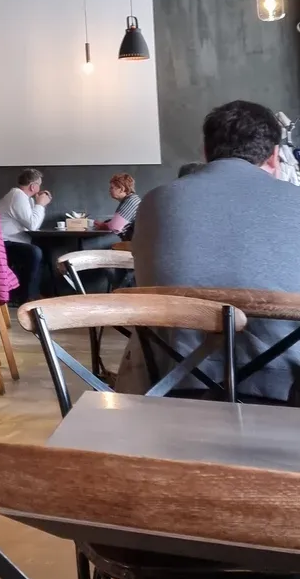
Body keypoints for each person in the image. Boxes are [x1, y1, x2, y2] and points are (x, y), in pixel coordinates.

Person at [131, 100, 300, 402]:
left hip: (169, 385)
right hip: (286, 391)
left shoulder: (155, 201)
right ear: (275, 156)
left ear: (205, 152)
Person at [0, 169, 51, 303]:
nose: (39, 188)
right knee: (34, 252)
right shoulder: (17, 195)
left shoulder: (24, 198)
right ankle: (26, 296)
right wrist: (40, 205)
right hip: (3, 243)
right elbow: (33, 224)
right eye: (39, 185)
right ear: (33, 186)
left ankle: (33, 294)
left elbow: (33, 225)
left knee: (43, 250)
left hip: (12, 240)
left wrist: (37, 204)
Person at [94, 173, 140, 240]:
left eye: (112, 187)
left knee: (89, 243)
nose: (109, 190)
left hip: (135, 242)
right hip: (135, 240)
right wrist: (106, 224)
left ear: (122, 189)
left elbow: (115, 227)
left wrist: (103, 225)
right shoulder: (130, 199)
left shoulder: (131, 201)